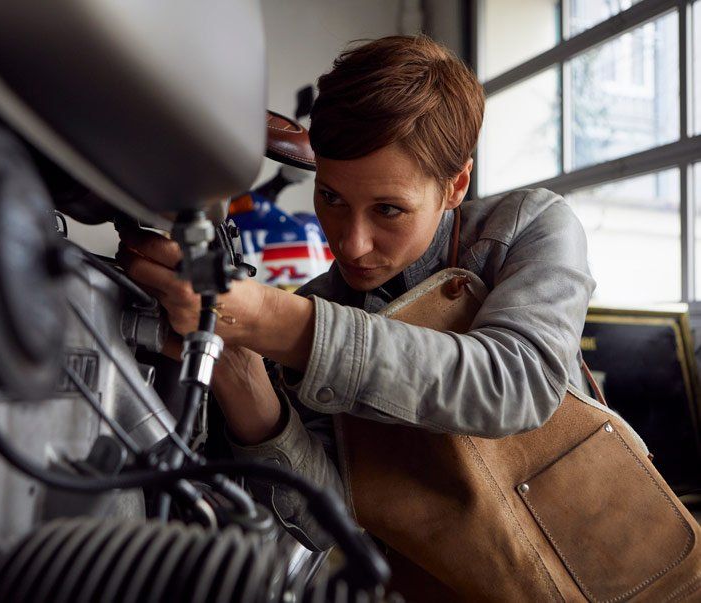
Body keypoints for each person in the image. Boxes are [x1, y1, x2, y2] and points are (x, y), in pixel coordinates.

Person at [118, 35, 594, 552]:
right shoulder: (318, 306)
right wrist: (241, 371)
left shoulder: (529, 227)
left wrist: (267, 317)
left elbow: (517, 383)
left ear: (456, 187)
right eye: (330, 197)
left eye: (388, 210)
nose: (349, 241)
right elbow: (327, 526)